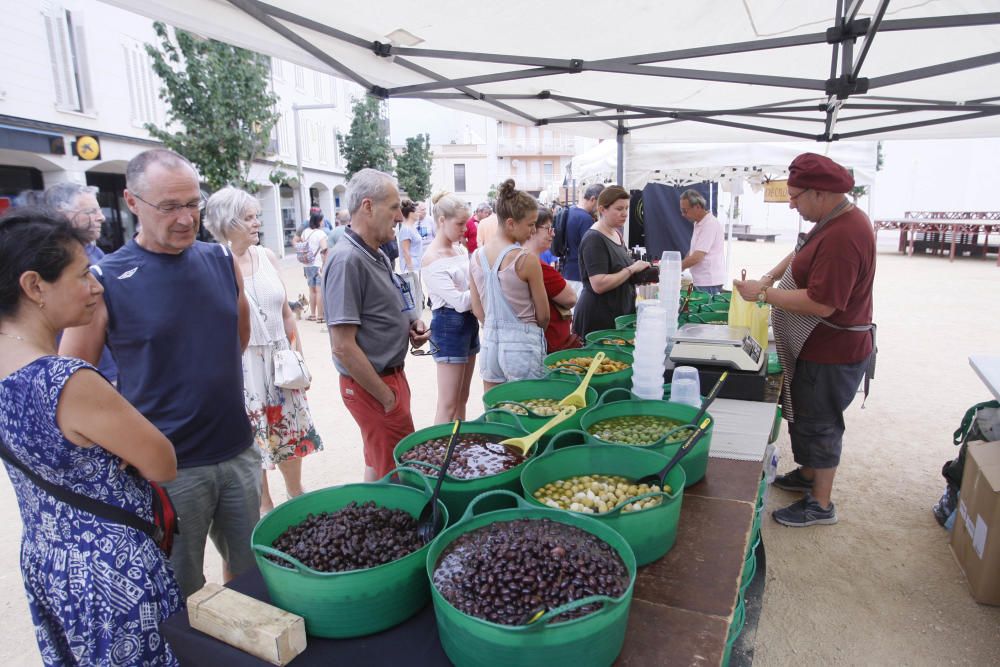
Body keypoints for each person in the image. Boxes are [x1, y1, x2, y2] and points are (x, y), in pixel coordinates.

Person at [60, 148, 259, 597]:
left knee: (252, 581)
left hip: (237, 452)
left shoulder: (220, 261)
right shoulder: (105, 279)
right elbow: (71, 378)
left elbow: (237, 337)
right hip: (168, 472)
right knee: (179, 589)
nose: (187, 218)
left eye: (193, 204)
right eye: (170, 207)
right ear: (132, 203)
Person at [0, 208, 182, 664]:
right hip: (111, 572)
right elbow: (162, 461)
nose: (97, 287)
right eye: (83, 275)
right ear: (34, 286)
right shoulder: (66, 380)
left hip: (51, 561)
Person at [735, 152, 876, 528]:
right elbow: (798, 252)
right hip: (817, 347)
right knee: (808, 413)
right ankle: (808, 474)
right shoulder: (832, 220)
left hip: (832, 350)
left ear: (820, 193)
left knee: (821, 421)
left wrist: (763, 295)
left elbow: (824, 304)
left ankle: (821, 504)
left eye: (796, 197)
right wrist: (768, 278)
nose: (793, 204)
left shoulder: (846, 235)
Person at [204, 187, 323, 515]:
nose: (258, 222)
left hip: (280, 360)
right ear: (228, 222)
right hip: (242, 365)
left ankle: (295, 496)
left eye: (257, 215)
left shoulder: (268, 256)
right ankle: (266, 508)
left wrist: (299, 359)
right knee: (254, 441)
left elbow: (286, 312)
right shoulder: (213, 264)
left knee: (290, 437)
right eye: (249, 217)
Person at [324, 169, 430, 481]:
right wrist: (386, 398)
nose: (400, 215)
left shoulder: (375, 254)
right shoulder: (347, 260)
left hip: (387, 380)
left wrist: (411, 326)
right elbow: (342, 347)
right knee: (398, 477)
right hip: (374, 385)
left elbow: (390, 306)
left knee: (379, 467)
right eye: (394, 207)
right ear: (368, 207)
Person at [469, 179, 549, 391]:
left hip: (490, 345)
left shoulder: (476, 257)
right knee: (528, 411)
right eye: (531, 224)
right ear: (511, 223)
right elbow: (543, 315)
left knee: (496, 413)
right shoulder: (525, 259)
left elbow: (477, 309)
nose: (533, 231)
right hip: (522, 347)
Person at [44, 182, 119, 385]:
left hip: (109, 368)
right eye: (91, 211)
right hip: (77, 372)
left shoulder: (96, 253)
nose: (101, 217)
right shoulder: (46, 261)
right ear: (62, 214)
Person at [421, 193, 479, 423]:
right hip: (448, 325)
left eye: (466, 222)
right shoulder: (431, 258)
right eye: (460, 223)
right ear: (442, 220)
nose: (465, 228)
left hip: (467, 323)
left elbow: (467, 294)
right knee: (447, 404)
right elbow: (460, 301)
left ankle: (456, 449)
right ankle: (440, 456)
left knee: (462, 398)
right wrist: (481, 288)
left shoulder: (460, 250)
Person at [573, 186, 650, 338]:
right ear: (602, 209)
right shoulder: (594, 239)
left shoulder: (616, 233)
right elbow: (599, 284)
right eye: (619, 208)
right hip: (599, 317)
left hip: (616, 313)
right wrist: (632, 269)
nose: (625, 213)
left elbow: (620, 268)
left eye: (627, 208)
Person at [524, 206, 581, 352]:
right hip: (549, 340)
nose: (553, 234)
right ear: (532, 229)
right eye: (548, 228)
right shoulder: (538, 266)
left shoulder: (519, 259)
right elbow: (570, 298)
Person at [679, 189, 727, 294]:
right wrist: (681, 266)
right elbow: (693, 251)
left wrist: (677, 267)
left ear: (697, 207)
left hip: (708, 282)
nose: (683, 214)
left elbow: (697, 257)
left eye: (685, 210)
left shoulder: (709, 224)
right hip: (702, 281)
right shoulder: (698, 223)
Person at [561, 184, 604, 294]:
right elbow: (590, 250)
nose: (601, 208)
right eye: (601, 203)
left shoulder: (570, 211)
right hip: (579, 276)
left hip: (568, 271)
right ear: (593, 199)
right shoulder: (585, 219)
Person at [299, 211, 329, 322]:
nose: (323, 222)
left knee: (311, 290)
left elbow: (304, 247)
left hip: (307, 264)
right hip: (318, 264)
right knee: (319, 291)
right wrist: (325, 264)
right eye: (322, 220)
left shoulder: (305, 232)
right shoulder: (321, 234)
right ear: (318, 221)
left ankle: (312, 314)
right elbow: (324, 250)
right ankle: (320, 316)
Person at [397, 199, 425, 314]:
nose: (419, 214)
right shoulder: (406, 229)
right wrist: (411, 271)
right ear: (410, 213)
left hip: (416, 265)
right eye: (416, 211)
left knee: (417, 296)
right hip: (411, 267)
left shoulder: (411, 228)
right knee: (413, 297)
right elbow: (406, 251)